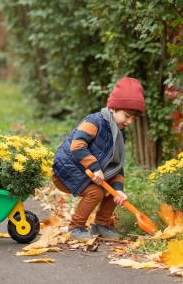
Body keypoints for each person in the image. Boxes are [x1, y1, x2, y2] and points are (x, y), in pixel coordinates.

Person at [52, 77, 145, 240]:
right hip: (67, 170)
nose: (129, 121)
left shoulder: (120, 134)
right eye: (127, 116)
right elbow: (77, 145)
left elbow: (117, 164)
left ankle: (101, 225)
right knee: (96, 193)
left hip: (89, 174)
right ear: (113, 108)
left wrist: (118, 189)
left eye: (134, 119)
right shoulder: (94, 121)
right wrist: (95, 167)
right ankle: (76, 227)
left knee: (112, 193)